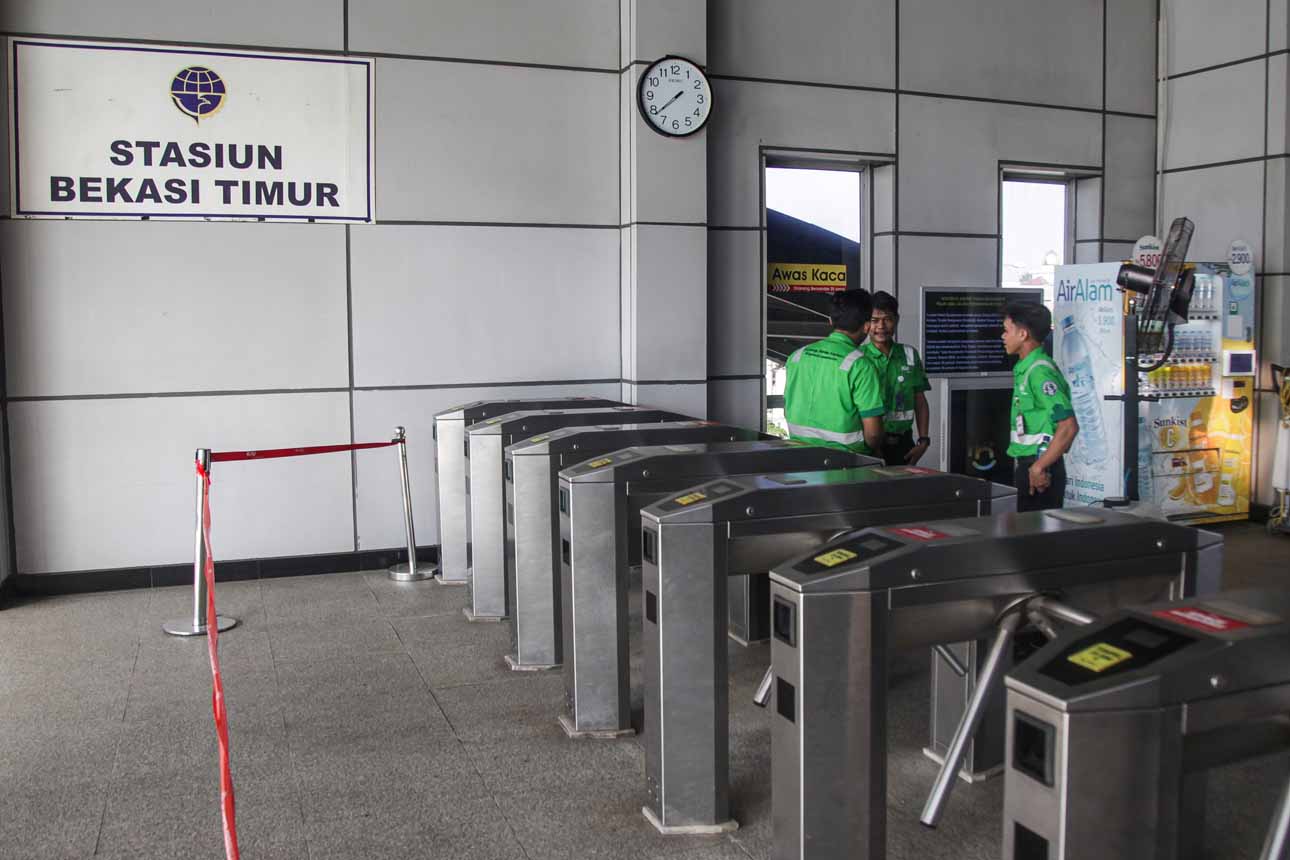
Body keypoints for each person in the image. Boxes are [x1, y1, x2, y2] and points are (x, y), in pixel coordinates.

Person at [784, 290, 885, 457]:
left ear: (830, 320)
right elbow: (873, 434)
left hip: (798, 454)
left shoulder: (797, 356)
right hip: (846, 460)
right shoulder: (860, 365)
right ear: (867, 326)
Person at [1001, 300, 1079, 511]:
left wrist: (1039, 467)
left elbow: (1068, 426)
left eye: (1007, 331)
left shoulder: (1039, 372)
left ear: (1023, 334)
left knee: (1038, 529)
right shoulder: (1025, 369)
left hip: (1042, 469)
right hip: (1030, 465)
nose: (1003, 336)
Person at [865, 291, 932, 465]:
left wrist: (923, 441)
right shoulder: (858, 357)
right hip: (868, 445)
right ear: (866, 322)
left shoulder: (910, 354)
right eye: (874, 320)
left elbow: (920, 400)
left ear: (896, 320)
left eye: (887, 319)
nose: (881, 326)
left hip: (903, 445)